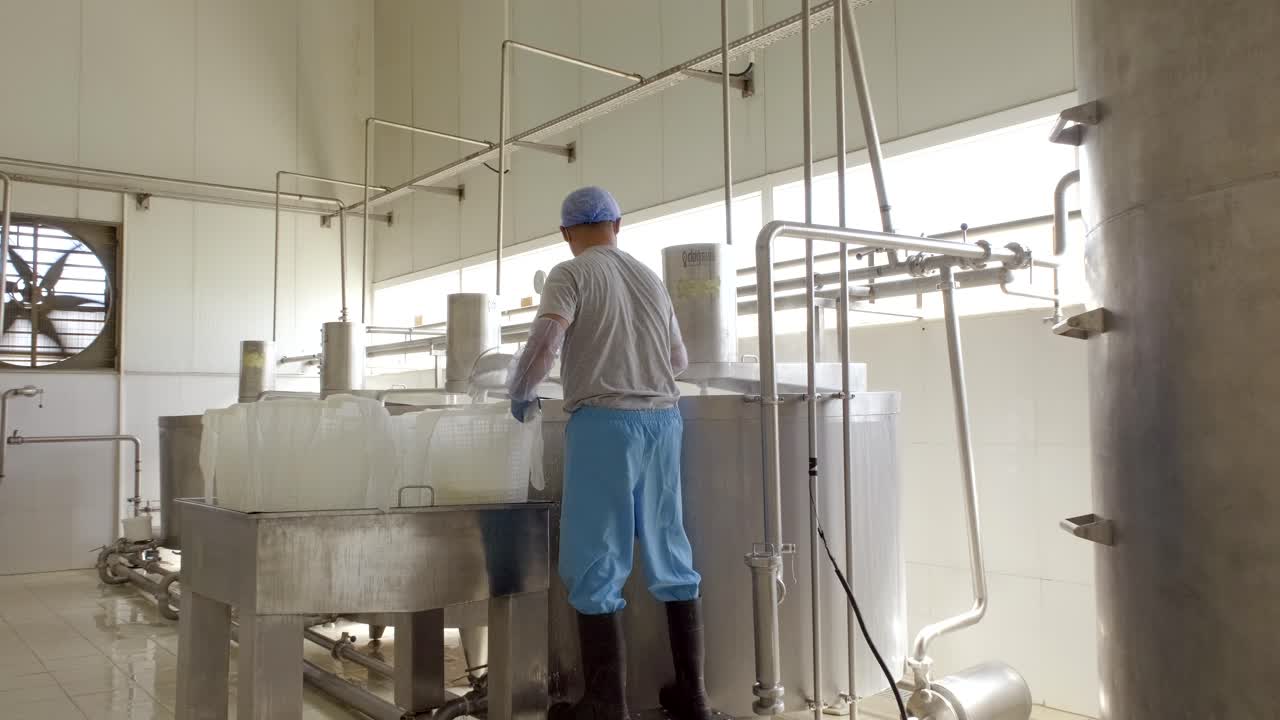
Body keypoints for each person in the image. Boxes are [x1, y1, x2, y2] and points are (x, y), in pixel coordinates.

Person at [506, 186, 710, 720]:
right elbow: (679, 359)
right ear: (618, 222)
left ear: (566, 233)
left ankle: (605, 702)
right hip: (664, 423)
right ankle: (693, 696)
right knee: (671, 548)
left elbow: (545, 343)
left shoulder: (569, 273)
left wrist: (520, 393)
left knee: (596, 556)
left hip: (606, 427)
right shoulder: (649, 278)